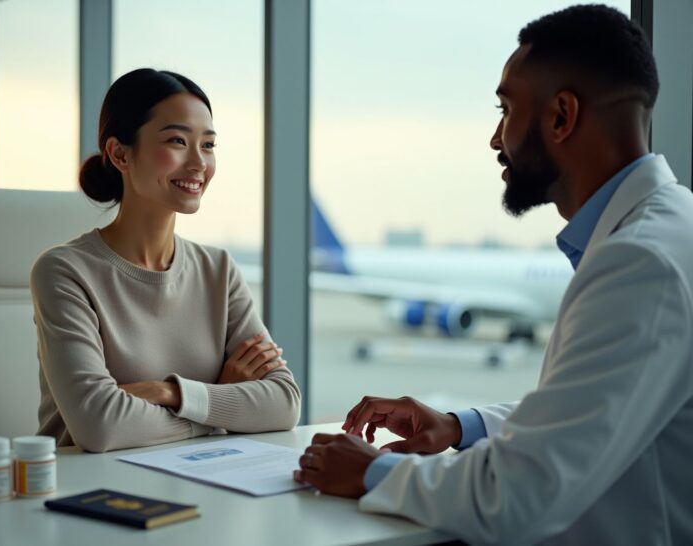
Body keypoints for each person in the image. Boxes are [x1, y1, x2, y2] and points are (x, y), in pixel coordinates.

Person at [295, 5, 693, 544]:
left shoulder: (640, 262)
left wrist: (370, 472)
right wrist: (461, 427)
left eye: (505, 109)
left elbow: (517, 497)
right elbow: (590, 410)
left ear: (561, 117)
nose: (494, 138)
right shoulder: (671, 227)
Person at [31, 69, 300, 453]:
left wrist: (167, 392)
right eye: (177, 140)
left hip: (197, 482)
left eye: (207, 145)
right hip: (88, 491)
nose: (198, 163)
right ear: (120, 154)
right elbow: (100, 425)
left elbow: (283, 403)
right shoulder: (64, 272)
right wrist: (221, 403)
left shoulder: (218, 271)